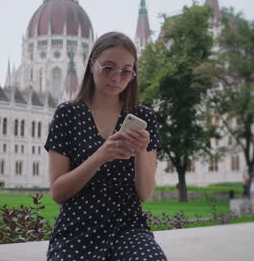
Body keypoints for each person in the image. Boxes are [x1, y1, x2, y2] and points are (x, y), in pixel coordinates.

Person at [44, 32, 166, 260]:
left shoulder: (143, 117)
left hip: (128, 227)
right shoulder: (68, 114)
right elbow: (58, 192)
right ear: (92, 65)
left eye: (126, 71)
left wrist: (140, 151)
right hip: (77, 228)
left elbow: (145, 193)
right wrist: (100, 156)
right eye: (108, 67)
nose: (117, 77)